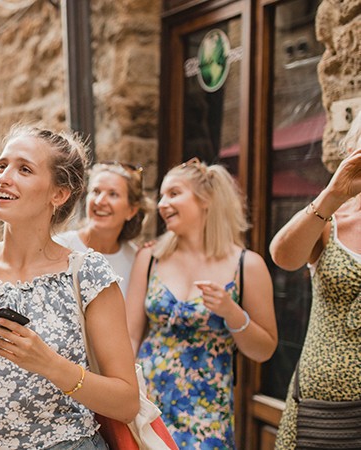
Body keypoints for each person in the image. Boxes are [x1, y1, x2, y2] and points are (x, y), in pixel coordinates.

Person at [0, 126, 140, 449]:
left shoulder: (88, 274)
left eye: (24, 169)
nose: (4, 177)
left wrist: (49, 365)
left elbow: (126, 402)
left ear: (58, 194)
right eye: (1, 166)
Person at [125, 158, 278, 449]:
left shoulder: (247, 265)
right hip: (148, 405)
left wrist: (231, 312)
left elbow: (264, 349)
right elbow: (130, 335)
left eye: (173, 193)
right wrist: (124, 394)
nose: (161, 204)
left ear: (206, 199)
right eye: (161, 196)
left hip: (207, 412)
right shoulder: (150, 257)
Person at [269, 114, 361, 450]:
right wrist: (332, 195)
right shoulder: (330, 221)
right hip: (319, 413)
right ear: (350, 149)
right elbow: (283, 256)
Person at [55, 161, 150, 294]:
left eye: (113, 194)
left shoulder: (135, 259)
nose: (99, 201)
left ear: (131, 210)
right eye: (96, 191)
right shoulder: (60, 246)